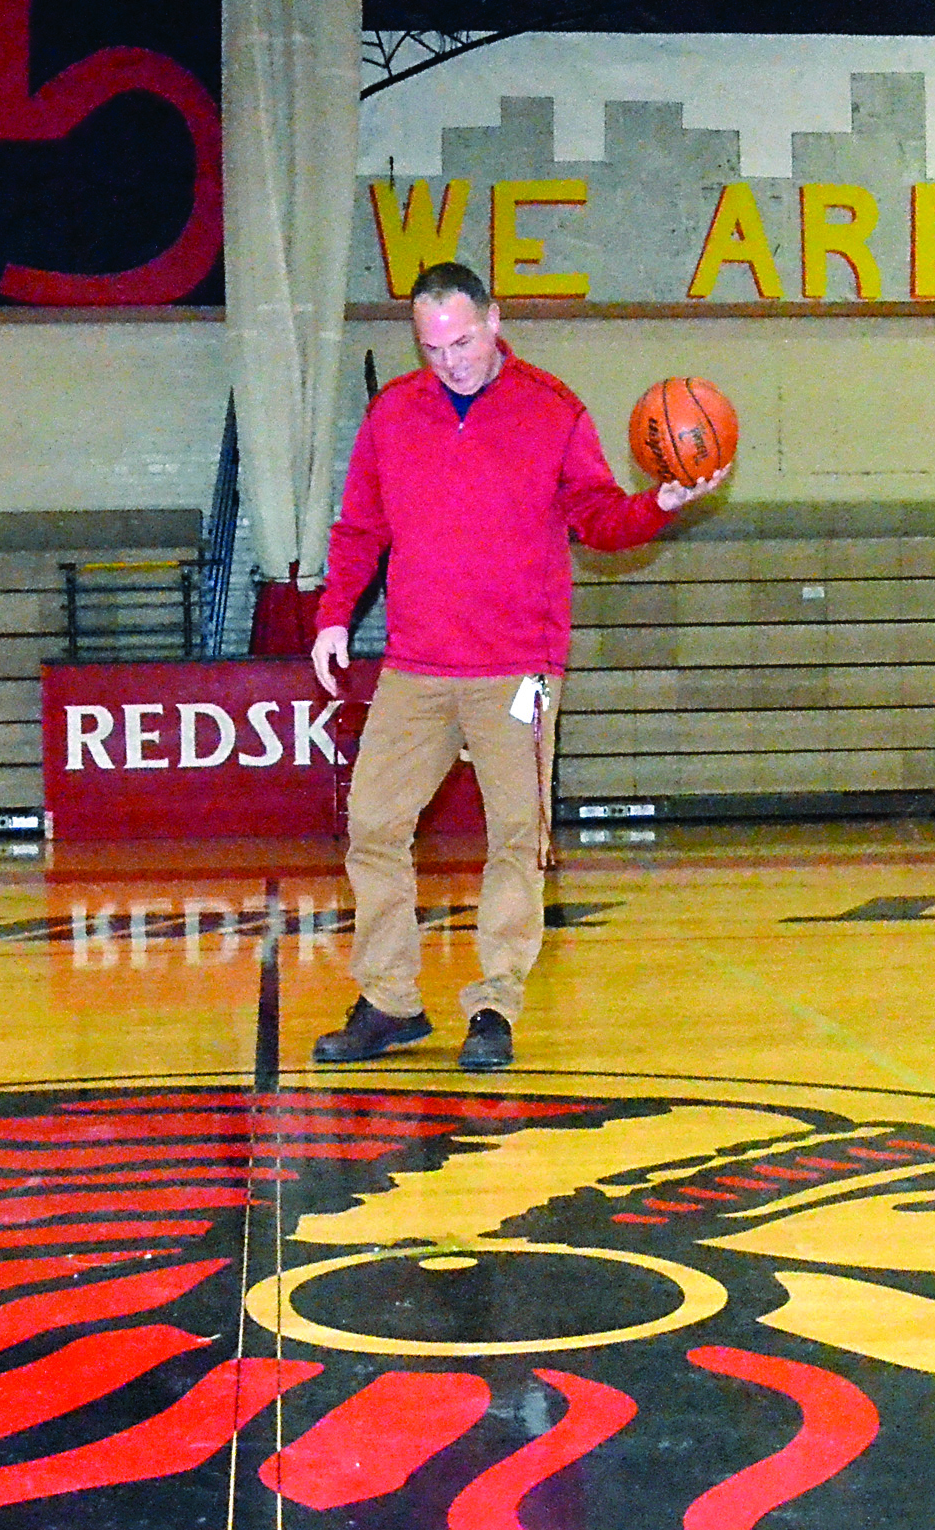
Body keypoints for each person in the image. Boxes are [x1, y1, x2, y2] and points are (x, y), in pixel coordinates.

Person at [309, 261, 726, 1071]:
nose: (450, 360)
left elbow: (597, 516)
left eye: (462, 340)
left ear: (494, 320)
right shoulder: (394, 413)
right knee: (372, 825)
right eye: (431, 347)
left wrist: (658, 505)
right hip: (416, 663)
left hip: (516, 668)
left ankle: (494, 1003)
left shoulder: (553, 409)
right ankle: (390, 1001)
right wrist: (333, 617)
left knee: (515, 836)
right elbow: (359, 527)